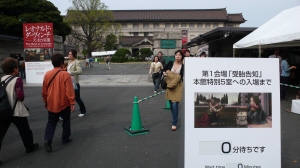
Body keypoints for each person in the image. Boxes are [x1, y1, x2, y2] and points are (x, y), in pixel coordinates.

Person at [0, 58, 39, 164]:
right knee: (25, 130)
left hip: (3, 111)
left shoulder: (1, 79)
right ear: (14, 69)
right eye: (17, 67)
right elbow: (20, 96)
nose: (18, 69)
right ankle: (29, 147)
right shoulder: (17, 80)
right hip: (16, 110)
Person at [42, 53, 75, 153]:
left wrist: (45, 100)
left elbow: (44, 90)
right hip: (64, 102)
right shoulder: (65, 74)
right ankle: (65, 138)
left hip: (52, 102)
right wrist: (72, 102)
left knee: (51, 122)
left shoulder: (47, 74)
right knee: (66, 121)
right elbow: (69, 90)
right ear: (61, 63)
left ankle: (48, 139)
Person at [163, 50, 184, 131]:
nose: (178, 56)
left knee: (175, 105)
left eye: (179, 55)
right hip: (169, 86)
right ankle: (174, 116)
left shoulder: (183, 66)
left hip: (177, 86)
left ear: (182, 56)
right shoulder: (171, 63)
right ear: (174, 56)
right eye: (176, 55)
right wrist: (164, 73)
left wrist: (171, 74)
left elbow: (180, 77)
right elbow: (164, 70)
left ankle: (174, 123)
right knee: (171, 104)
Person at [68, 49, 87, 117]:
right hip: (68, 83)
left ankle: (83, 111)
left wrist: (71, 73)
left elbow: (80, 71)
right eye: (69, 54)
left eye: (71, 54)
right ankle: (64, 113)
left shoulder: (77, 62)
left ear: (74, 55)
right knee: (67, 98)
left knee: (77, 98)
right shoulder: (69, 62)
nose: (69, 56)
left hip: (74, 83)